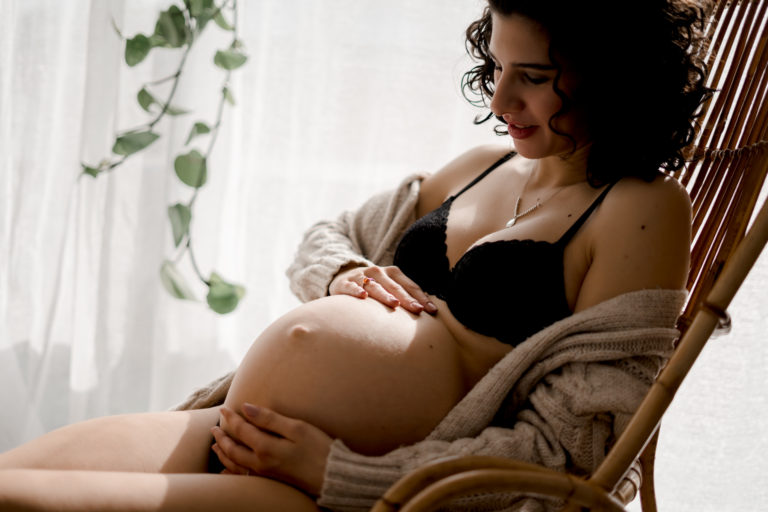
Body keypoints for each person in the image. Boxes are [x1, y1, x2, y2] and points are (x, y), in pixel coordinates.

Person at [0, 0, 711, 510]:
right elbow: (324, 238)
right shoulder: (479, 167)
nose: (499, 98)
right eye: (495, 66)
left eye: (532, 75)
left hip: (332, 486)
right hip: (234, 426)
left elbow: (574, 452)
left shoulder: (640, 207)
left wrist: (336, 470)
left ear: (607, 71)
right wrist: (343, 273)